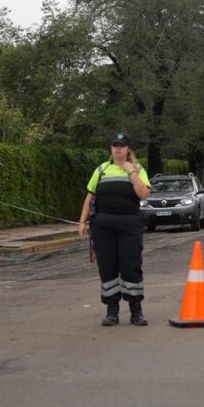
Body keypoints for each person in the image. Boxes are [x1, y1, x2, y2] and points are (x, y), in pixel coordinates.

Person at [78, 132, 151, 327]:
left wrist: (132, 172)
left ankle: (136, 311)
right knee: (108, 268)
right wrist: (82, 222)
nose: (118, 148)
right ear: (111, 149)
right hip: (104, 227)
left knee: (131, 266)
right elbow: (89, 197)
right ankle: (112, 311)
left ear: (128, 149)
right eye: (114, 145)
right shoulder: (101, 170)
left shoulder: (138, 169)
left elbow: (143, 194)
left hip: (130, 224)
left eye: (122, 145)